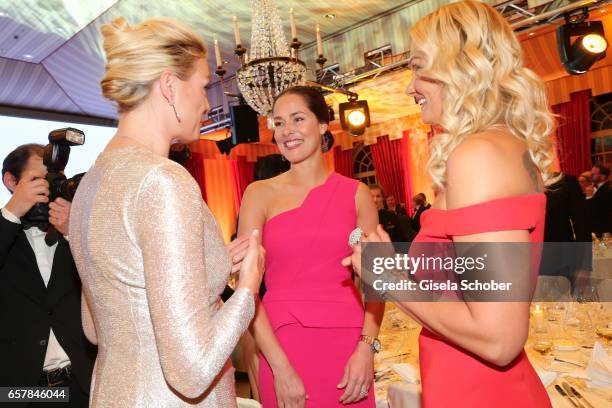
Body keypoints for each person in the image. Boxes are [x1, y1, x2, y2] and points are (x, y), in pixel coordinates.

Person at [346, 2, 555, 406]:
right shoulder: (499, 148)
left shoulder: (479, 155)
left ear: (462, 67)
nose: (409, 87)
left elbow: (499, 338)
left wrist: (389, 282)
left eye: (418, 66)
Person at [68, 17, 264, 406]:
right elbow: (191, 372)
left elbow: (97, 326)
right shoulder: (162, 181)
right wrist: (247, 288)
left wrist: (207, 265)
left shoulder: (91, 183)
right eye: (204, 85)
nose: (209, 103)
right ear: (169, 86)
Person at [239, 86, 384, 407]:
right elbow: (245, 291)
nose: (287, 131)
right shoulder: (258, 194)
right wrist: (278, 367)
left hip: (349, 347)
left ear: (322, 125)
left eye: (298, 119)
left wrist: (366, 350)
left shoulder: (357, 193)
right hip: (280, 345)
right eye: (278, 122)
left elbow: (379, 284)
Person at [1, 144, 96, 406]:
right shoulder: (4, 230)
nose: (47, 188)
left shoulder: (75, 231)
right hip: (22, 391)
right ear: (11, 181)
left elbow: (103, 284)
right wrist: (12, 211)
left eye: (52, 180)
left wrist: (71, 232)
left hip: (82, 384)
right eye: (36, 180)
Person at [589, 163, 612, 236]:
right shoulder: (600, 188)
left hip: (606, 230)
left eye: (593, 174)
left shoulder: (607, 190)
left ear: (602, 177)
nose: (591, 176)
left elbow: (600, 210)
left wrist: (590, 197)